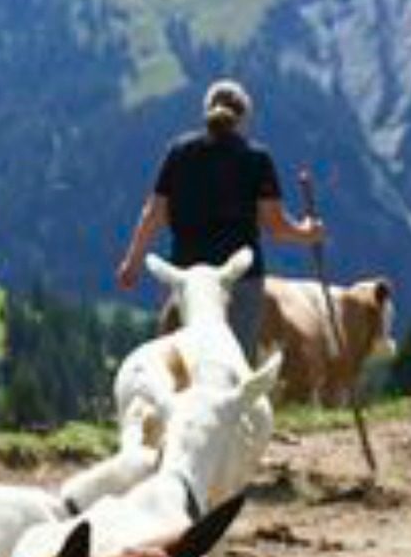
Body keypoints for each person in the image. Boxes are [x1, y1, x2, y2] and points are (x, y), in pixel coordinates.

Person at [116, 78, 325, 359]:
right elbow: (276, 228)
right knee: (233, 363)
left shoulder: (180, 152)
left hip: (190, 279)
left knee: (181, 364)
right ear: (243, 118)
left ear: (206, 111)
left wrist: (132, 262)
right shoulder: (256, 159)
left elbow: (154, 214)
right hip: (239, 281)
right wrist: (307, 232)